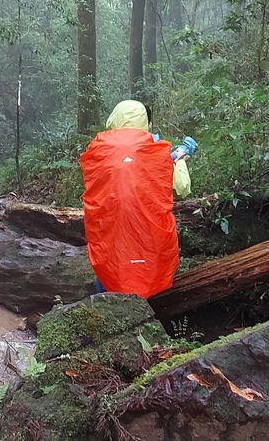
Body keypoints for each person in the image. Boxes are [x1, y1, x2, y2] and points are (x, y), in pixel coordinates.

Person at [84, 100, 196, 295]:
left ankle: (105, 303)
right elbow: (177, 185)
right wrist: (178, 158)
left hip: (109, 223)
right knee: (148, 260)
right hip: (146, 224)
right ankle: (150, 303)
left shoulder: (98, 148)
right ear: (145, 122)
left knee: (110, 259)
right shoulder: (156, 150)